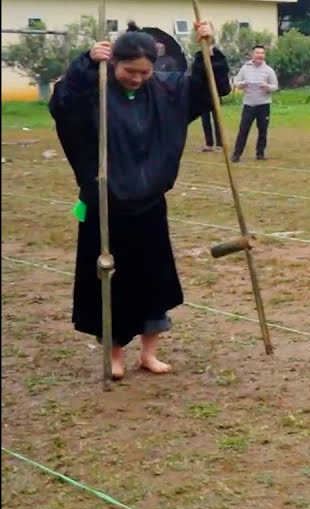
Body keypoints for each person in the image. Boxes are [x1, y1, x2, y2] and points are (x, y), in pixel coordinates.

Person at [49, 21, 230, 379]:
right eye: (129, 71)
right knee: (109, 281)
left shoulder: (165, 90)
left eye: (144, 72)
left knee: (153, 280)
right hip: (105, 206)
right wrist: (86, 63)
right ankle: (114, 354)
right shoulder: (94, 92)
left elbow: (209, 88)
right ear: (114, 63)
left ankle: (149, 353)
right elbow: (63, 103)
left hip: (149, 205)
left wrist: (208, 51)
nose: (136, 78)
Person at [230, 44, 279, 162]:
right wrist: (241, 84)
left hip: (263, 104)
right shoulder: (245, 68)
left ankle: (260, 153)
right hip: (248, 104)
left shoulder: (268, 70)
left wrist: (267, 86)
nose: (260, 55)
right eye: (257, 53)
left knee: (263, 130)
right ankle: (236, 154)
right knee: (243, 129)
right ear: (252, 54)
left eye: (262, 53)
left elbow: (275, 86)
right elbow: (236, 82)